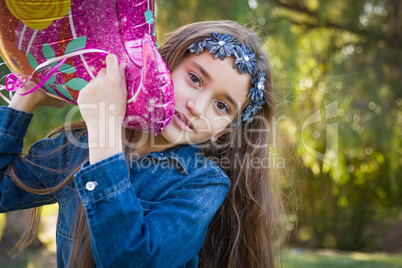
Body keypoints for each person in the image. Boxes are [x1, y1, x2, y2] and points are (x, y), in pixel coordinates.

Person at [0, 20, 279, 267]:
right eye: (194, 79)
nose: (197, 106)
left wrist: (105, 133)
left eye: (221, 106)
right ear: (163, 66)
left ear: (224, 131)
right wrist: (25, 100)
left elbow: (130, 259)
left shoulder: (203, 182)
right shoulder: (82, 145)